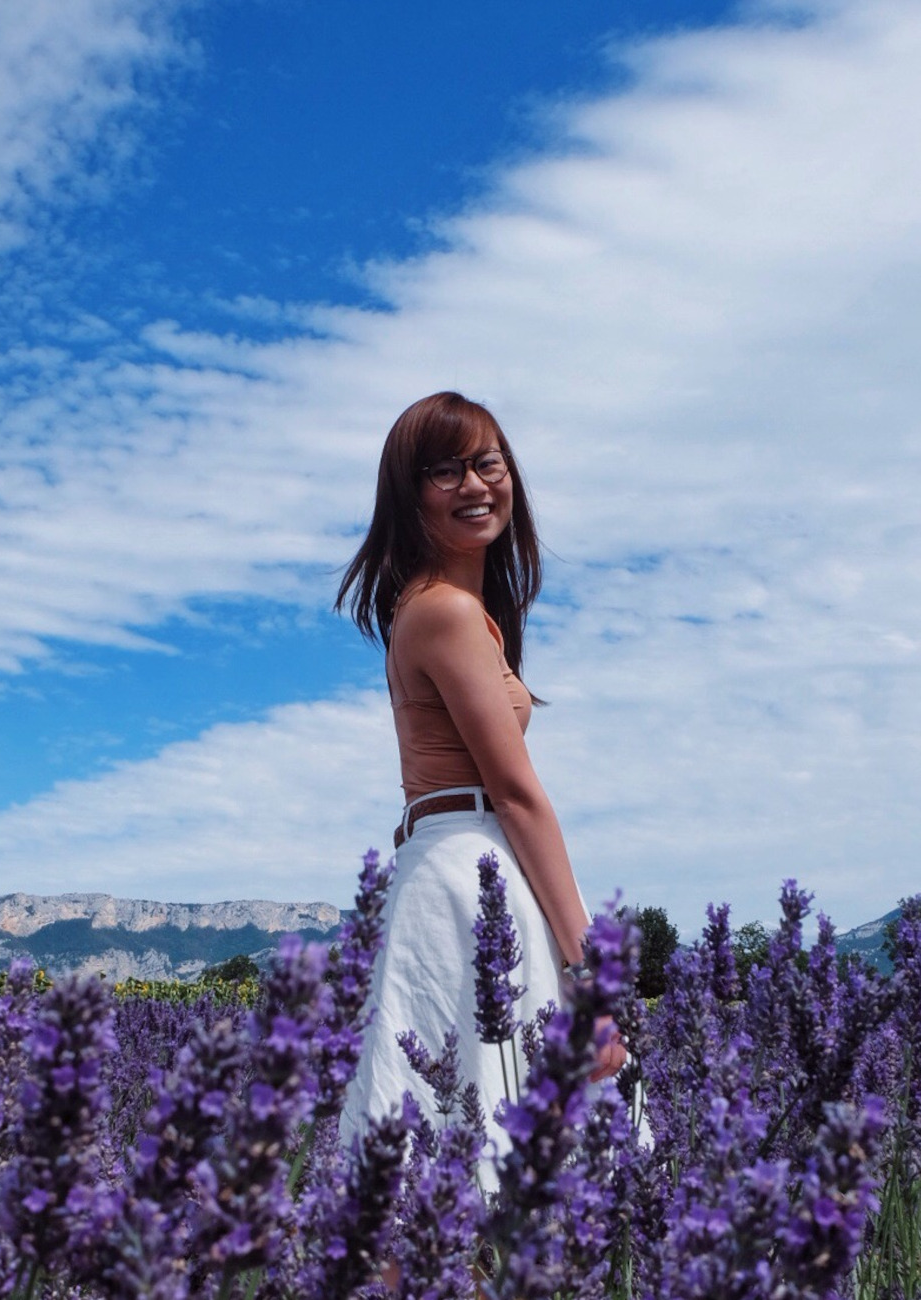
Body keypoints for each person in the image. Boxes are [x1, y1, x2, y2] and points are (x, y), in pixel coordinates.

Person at [335, 391, 625, 1170]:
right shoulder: (444, 613)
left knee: (450, 1163)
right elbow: (517, 793)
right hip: (469, 879)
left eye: (486, 463)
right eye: (443, 471)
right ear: (408, 493)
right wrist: (589, 975)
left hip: (463, 870)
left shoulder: (461, 610)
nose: (473, 485)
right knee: (459, 1169)